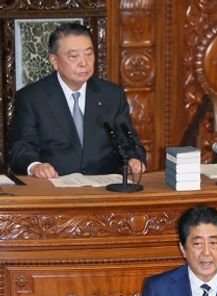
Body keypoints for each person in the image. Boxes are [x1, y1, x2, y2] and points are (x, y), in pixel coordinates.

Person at [9, 22, 146, 179]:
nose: (84, 63)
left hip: (104, 189)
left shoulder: (112, 95)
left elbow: (131, 143)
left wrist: (135, 159)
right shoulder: (32, 97)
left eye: (89, 54)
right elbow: (21, 148)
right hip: (53, 188)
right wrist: (35, 166)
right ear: (54, 61)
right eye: (74, 56)